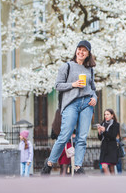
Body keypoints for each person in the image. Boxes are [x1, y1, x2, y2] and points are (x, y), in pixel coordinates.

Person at [42, 40, 97, 175]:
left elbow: (93, 89)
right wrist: (73, 84)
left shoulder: (90, 69)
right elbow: (58, 85)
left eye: (84, 50)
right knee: (64, 135)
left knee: (82, 137)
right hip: (71, 103)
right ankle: (49, 163)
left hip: (87, 104)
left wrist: (95, 98)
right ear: (76, 50)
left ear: (88, 53)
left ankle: (78, 167)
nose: (81, 52)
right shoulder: (66, 66)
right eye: (79, 49)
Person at [97, 109, 120, 175]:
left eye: (107, 114)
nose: (106, 116)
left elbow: (113, 136)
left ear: (112, 115)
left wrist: (104, 131)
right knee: (104, 166)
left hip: (112, 147)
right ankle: (110, 181)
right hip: (104, 147)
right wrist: (99, 132)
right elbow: (100, 138)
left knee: (112, 167)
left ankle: (113, 182)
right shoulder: (103, 124)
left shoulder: (116, 125)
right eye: (105, 114)